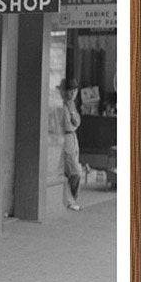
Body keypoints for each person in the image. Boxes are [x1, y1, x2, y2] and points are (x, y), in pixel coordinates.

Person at [57, 76, 83, 212]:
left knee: (73, 170)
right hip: (66, 139)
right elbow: (68, 125)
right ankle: (70, 200)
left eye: (75, 91)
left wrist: (74, 118)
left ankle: (71, 199)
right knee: (75, 172)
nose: (73, 94)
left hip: (73, 139)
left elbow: (77, 121)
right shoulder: (62, 105)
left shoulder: (71, 104)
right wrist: (74, 123)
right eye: (70, 91)